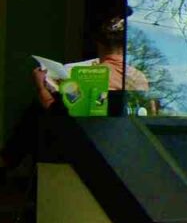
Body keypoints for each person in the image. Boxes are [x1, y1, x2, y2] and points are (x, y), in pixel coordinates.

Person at [0, 12, 149, 179]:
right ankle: (8, 162)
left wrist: (41, 86)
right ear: (127, 46)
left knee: (37, 110)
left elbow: (56, 112)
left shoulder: (89, 75)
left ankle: (7, 162)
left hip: (87, 146)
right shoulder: (140, 79)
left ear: (99, 44)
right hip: (126, 147)